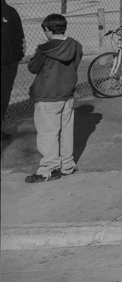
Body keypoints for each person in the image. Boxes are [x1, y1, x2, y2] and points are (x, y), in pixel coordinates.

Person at [25, 13, 83, 183]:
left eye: (45, 31)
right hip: (67, 94)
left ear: (48, 29)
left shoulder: (44, 49)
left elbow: (33, 68)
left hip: (46, 96)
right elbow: (75, 63)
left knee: (48, 132)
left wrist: (34, 57)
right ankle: (67, 165)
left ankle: (48, 169)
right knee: (66, 131)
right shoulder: (76, 45)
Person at [1, 0, 26, 135]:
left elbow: (19, 37)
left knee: (3, 99)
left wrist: (16, 57)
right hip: (9, 64)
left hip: (8, 65)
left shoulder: (10, 12)